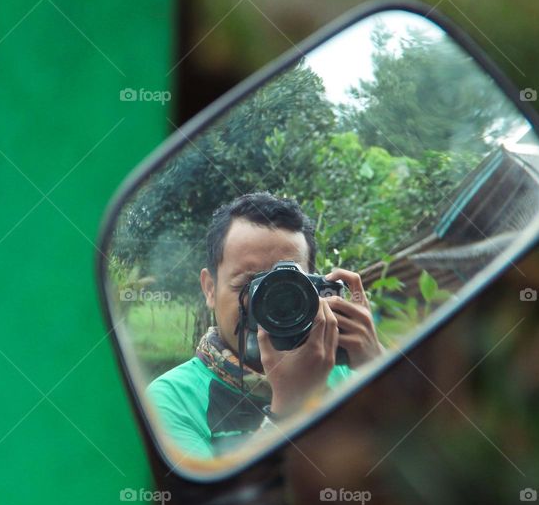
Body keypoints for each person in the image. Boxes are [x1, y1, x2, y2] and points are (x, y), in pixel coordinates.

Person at [146, 192, 383, 459]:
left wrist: (381, 369)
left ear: (316, 288)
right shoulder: (172, 401)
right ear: (210, 289)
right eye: (248, 285)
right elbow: (209, 499)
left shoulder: (346, 372)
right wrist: (289, 406)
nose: (268, 303)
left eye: (288, 287)